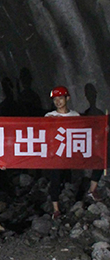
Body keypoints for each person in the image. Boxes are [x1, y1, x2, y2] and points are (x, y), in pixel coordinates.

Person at [45, 86, 80, 219]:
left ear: (67, 98)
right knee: (55, 179)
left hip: (70, 153)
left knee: (69, 179)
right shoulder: (49, 116)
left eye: (60, 98)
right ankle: (56, 209)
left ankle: (72, 205)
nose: (58, 101)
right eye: (55, 99)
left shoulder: (75, 116)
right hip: (56, 154)